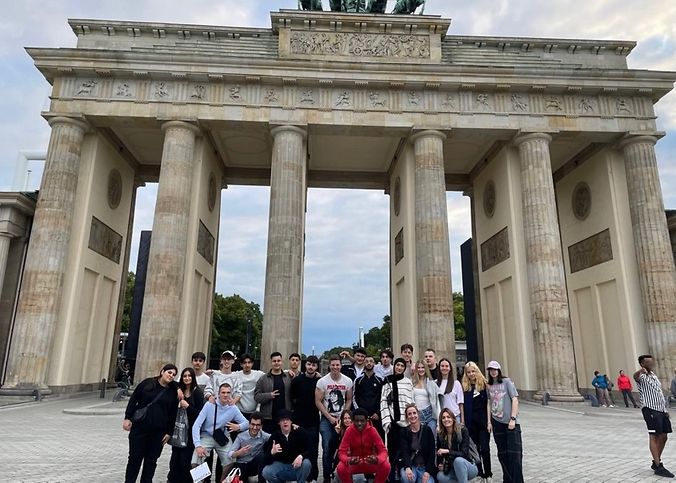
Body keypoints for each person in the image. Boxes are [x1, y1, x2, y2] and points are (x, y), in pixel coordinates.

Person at [123, 363, 180, 483]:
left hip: (158, 433)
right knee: (134, 459)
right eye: (169, 372)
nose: (171, 375)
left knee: (151, 461)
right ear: (162, 371)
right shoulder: (147, 383)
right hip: (139, 429)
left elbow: (173, 413)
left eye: (174, 374)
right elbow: (134, 400)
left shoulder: (173, 390)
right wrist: (127, 417)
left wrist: (169, 432)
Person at [192, 383, 249, 477]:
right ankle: (201, 480)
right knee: (196, 460)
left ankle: (223, 480)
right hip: (207, 435)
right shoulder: (209, 405)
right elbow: (196, 425)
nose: (225, 395)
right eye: (223, 392)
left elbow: (247, 423)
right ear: (218, 394)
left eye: (228, 392)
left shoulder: (233, 408)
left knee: (230, 460)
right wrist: (198, 445)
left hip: (223, 437)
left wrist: (238, 427)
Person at [634, 354, 673, 478]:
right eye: (649, 363)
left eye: (652, 362)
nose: (652, 364)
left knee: (664, 435)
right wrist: (641, 371)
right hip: (650, 409)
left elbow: (659, 393)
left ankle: (655, 461)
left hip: (661, 410)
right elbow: (635, 376)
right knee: (654, 436)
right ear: (643, 364)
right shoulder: (641, 376)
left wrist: (664, 409)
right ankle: (658, 465)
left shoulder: (654, 376)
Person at [316, 354, 354, 482]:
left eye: (337, 365)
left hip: (343, 418)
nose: (335, 367)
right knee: (327, 448)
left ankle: (339, 471)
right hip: (327, 418)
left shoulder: (347, 381)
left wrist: (344, 415)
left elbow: (349, 399)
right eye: (333, 365)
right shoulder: (322, 382)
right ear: (329, 366)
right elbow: (318, 401)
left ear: (341, 365)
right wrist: (329, 417)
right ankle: (326, 476)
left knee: (344, 447)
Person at [486, 361, 523, 483]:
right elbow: (489, 403)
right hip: (497, 422)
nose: (493, 371)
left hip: (510, 423)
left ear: (499, 370)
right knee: (502, 454)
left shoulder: (507, 382)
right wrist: (489, 422)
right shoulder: (489, 385)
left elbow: (515, 399)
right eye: (490, 369)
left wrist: (513, 418)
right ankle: (507, 479)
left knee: (515, 455)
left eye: (495, 369)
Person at [168, 367, 205, 483]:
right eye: (184, 376)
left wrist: (187, 406)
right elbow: (170, 382)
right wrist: (178, 388)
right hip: (178, 430)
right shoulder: (179, 391)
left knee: (185, 461)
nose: (187, 378)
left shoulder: (197, 392)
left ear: (193, 377)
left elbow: (201, 414)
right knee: (175, 459)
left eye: (189, 376)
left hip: (191, 432)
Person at [381, 357, 414, 481]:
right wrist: (387, 421)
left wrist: (411, 419)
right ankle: (391, 477)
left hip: (406, 422)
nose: (399, 367)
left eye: (402, 366)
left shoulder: (408, 382)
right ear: (394, 366)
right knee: (393, 452)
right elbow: (383, 401)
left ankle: (404, 475)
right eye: (397, 365)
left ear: (404, 368)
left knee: (405, 450)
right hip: (393, 422)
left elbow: (411, 400)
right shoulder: (387, 380)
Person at [336, 408, 391, 483]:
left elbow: (383, 451)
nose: (359, 423)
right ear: (353, 420)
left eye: (362, 421)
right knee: (340, 468)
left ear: (366, 420)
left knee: (386, 466)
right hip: (355, 462)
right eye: (356, 421)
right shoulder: (349, 431)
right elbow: (341, 452)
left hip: (370, 462)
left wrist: (377, 459)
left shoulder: (372, 430)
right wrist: (348, 460)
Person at [290, 354, 322, 482]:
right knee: (298, 448)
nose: (311, 367)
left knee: (313, 449)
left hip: (313, 420)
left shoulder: (319, 381)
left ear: (317, 367)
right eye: (309, 364)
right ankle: (296, 474)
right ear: (305, 365)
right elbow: (292, 398)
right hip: (299, 419)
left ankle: (312, 476)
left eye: (313, 365)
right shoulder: (297, 380)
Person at [261, 409, 313, 483]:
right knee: (266, 472)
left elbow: (311, 450)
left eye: (287, 419)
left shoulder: (300, 432)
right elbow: (265, 460)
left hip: (297, 466)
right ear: (279, 423)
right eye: (282, 420)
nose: (285, 422)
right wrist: (272, 453)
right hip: (282, 467)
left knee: (306, 463)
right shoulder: (275, 436)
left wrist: (301, 456)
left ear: (291, 421)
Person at [461, 361, 492, 482]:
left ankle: (488, 473)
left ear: (477, 371)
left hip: (483, 422)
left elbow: (489, 404)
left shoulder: (484, 385)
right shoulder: (465, 387)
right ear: (466, 374)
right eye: (468, 372)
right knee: (475, 449)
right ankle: (479, 473)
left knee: (485, 448)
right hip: (470, 423)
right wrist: (463, 422)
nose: (471, 374)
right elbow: (462, 405)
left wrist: (489, 422)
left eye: (473, 371)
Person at [436, 408, 479, 483]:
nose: (446, 419)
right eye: (443, 418)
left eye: (448, 417)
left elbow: (464, 453)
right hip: (453, 468)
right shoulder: (440, 435)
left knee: (458, 461)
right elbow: (439, 453)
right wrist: (440, 464)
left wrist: (448, 451)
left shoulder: (462, 430)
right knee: (440, 476)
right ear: (441, 421)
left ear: (453, 418)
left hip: (469, 466)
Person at [255, 351, 293, 434]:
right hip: (268, 419)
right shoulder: (263, 379)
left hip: (284, 419)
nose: (276, 363)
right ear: (271, 362)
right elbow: (256, 397)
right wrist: (269, 395)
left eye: (278, 361)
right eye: (274, 361)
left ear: (281, 362)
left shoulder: (288, 377)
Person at [228, 412, 271, 483]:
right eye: (253, 424)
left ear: (261, 426)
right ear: (249, 424)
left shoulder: (263, 435)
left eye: (258, 425)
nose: (255, 428)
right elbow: (230, 454)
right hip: (242, 464)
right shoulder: (241, 436)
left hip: (254, 464)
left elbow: (275, 437)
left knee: (262, 456)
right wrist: (239, 452)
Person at [399, 404, 436, 483]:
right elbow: (404, 452)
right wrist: (408, 467)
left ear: (418, 414)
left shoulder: (427, 430)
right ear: (407, 417)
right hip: (412, 466)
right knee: (406, 478)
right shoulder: (404, 432)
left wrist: (428, 472)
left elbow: (432, 452)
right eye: (409, 414)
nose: (412, 416)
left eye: (414, 413)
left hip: (424, 468)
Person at [354, 355, 385, 439]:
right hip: (363, 417)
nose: (369, 363)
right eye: (367, 361)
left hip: (377, 417)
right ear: (364, 363)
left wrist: (378, 413)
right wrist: (362, 413)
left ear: (374, 364)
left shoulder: (380, 380)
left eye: (371, 361)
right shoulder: (358, 381)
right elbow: (355, 398)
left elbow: (383, 398)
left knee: (379, 440)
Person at [412, 360, 440, 433]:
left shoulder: (431, 383)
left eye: (423, 367)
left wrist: (438, 423)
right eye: (419, 367)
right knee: (419, 440)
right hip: (417, 415)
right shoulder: (412, 382)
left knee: (432, 440)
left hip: (430, 414)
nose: (421, 369)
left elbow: (437, 403)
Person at [235, 353, 265, 420]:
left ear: (252, 363)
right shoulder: (236, 375)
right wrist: (213, 371)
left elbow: (271, 374)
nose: (247, 365)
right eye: (245, 363)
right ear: (241, 364)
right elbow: (225, 374)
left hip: (254, 411)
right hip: (240, 411)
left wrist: (287, 371)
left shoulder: (258, 374)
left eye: (249, 362)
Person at [437, 358, 464, 423]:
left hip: (455, 416)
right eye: (442, 366)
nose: (444, 368)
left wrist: (462, 421)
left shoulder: (456, 383)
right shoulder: (435, 383)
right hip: (442, 418)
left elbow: (460, 403)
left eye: (446, 366)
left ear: (450, 368)